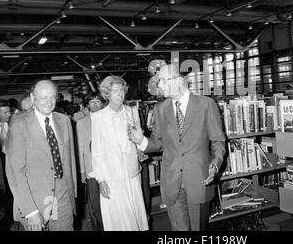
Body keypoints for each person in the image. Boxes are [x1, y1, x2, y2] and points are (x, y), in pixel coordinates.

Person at [133, 64, 226, 231]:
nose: (158, 85)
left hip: (199, 179)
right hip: (172, 182)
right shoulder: (160, 109)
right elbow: (158, 142)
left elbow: (218, 141)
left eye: (161, 80)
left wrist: (214, 165)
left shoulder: (206, 104)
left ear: (178, 81)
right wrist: (142, 141)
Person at [5, 80, 77, 231]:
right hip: (35, 200)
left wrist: (73, 195)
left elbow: (70, 160)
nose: (48, 102)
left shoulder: (64, 121)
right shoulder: (19, 124)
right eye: (43, 97)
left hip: (63, 197)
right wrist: (30, 212)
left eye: (52, 97)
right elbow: (15, 171)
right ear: (33, 98)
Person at [91, 76, 148, 231]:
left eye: (121, 90)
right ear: (107, 94)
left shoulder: (132, 112)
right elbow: (96, 152)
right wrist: (100, 179)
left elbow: (138, 141)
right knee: (118, 218)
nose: (119, 94)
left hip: (131, 172)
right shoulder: (98, 117)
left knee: (135, 214)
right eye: (115, 91)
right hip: (111, 175)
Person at [76, 92, 104, 231]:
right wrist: (82, 170)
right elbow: (80, 147)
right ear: (87, 105)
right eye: (92, 102)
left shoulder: (109, 120)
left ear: (102, 103)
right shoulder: (81, 123)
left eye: (98, 101)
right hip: (91, 168)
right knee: (94, 204)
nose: (95, 104)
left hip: (109, 167)